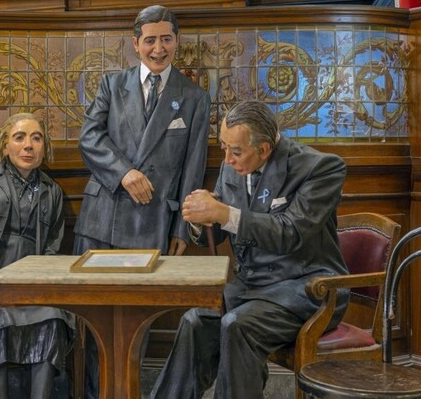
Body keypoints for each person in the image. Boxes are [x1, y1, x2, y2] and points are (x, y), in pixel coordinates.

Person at [150, 101, 350, 399]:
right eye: (223, 147)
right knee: (194, 323)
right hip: (251, 288)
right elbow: (219, 230)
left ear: (265, 149)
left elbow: (290, 232)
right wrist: (198, 217)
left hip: (305, 289)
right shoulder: (234, 165)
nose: (227, 158)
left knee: (236, 326)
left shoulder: (320, 168)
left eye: (236, 151)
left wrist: (222, 213)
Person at [73, 5, 211, 398]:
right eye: (150, 39)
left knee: (136, 327)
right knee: (93, 326)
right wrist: (124, 173)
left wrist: (184, 226)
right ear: (136, 44)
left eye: (166, 38)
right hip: (101, 222)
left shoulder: (195, 97)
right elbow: (89, 139)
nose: (158, 47)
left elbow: (193, 168)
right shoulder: (111, 85)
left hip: (152, 226)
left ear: (176, 43)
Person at [0, 112, 75, 399]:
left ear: (44, 147)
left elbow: (51, 249)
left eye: (37, 138)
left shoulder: (52, 191)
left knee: (53, 315)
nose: (28, 145)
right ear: (5, 145)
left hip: (33, 283)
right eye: (19, 137)